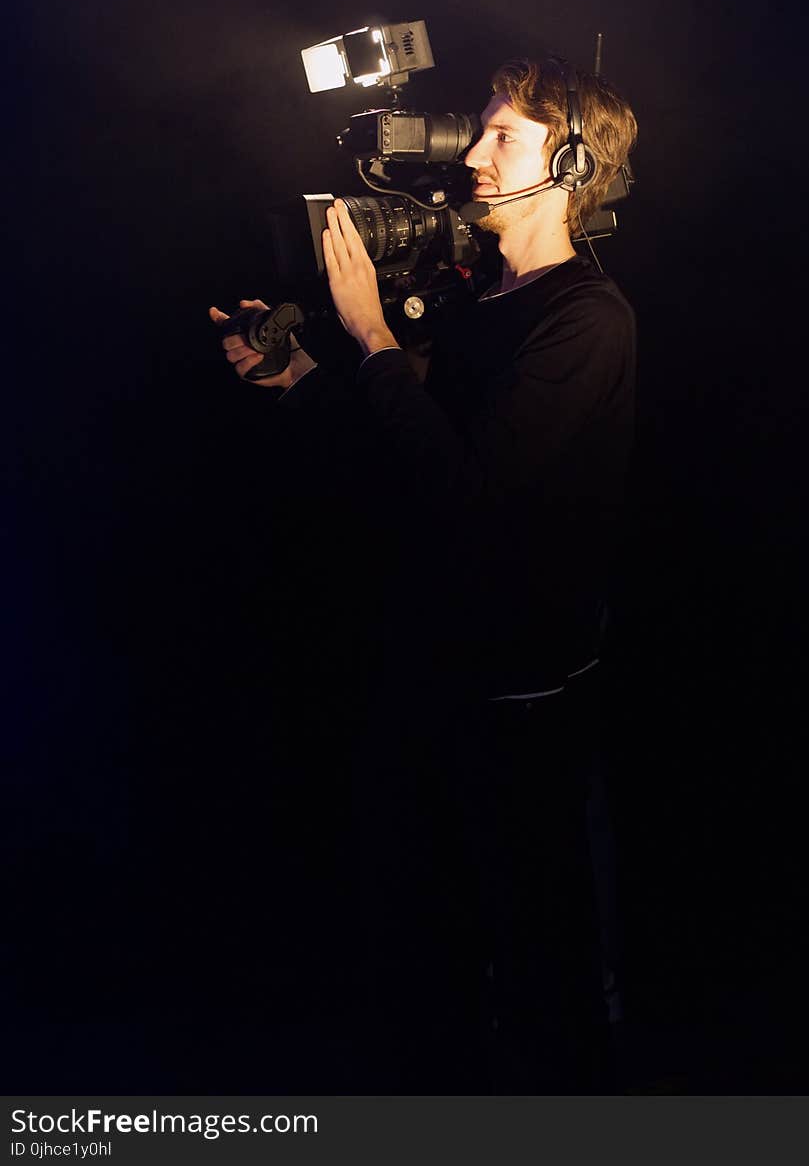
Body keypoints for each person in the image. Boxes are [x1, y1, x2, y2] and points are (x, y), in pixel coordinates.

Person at [211, 57, 638, 1094]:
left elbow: (466, 494)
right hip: (425, 670)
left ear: (574, 166)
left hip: (520, 695)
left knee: (544, 956)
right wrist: (308, 376)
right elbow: (398, 454)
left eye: (505, 139)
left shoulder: (587, 320)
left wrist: (365, 334)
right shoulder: (477, 298)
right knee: (421, 938)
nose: (475, 159)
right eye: (479, 132)